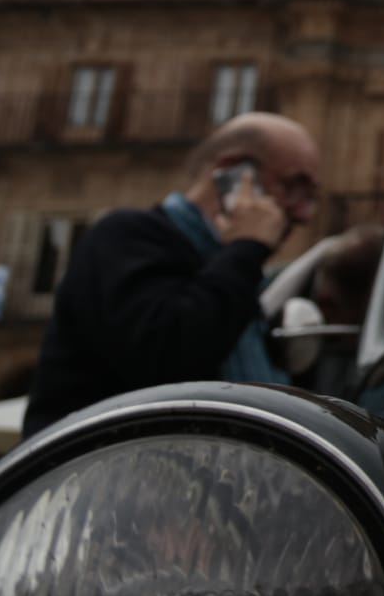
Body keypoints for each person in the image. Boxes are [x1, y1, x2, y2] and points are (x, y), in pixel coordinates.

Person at [23, 112, 320, 438]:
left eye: (309, 197)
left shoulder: (237, 273)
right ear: (233, 173)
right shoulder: (126, 236)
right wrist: (247, 246)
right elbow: (168, 356)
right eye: (293, 186)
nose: (303, 214)